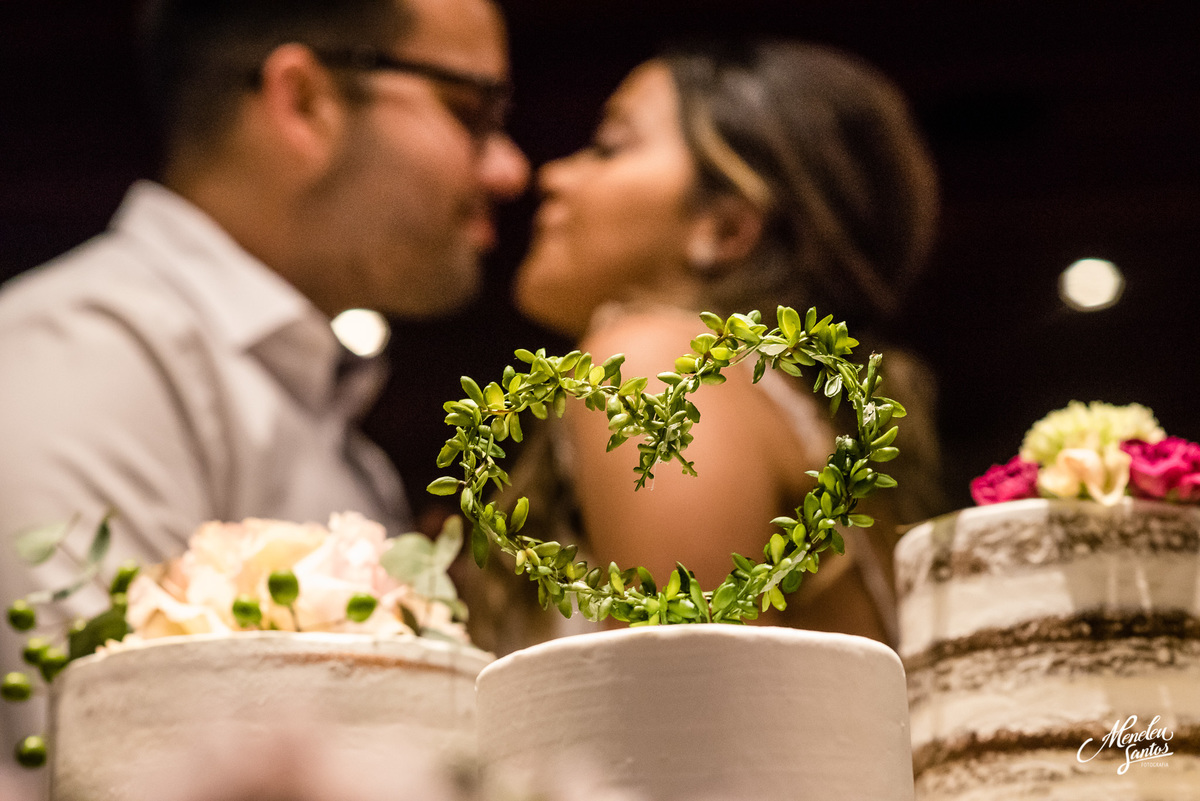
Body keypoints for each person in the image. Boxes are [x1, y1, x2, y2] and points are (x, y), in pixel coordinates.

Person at [0, 0, 527, 793]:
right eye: (470, 111)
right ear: (304, 101)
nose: (509, 168)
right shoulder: (86, 351)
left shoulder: (331, 425)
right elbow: (113, 765)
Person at [500, 40, 947, 650]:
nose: (553, 176)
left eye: (610, 146)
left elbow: (684, 694)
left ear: (725, 228)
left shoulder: (660, 365)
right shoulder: (766, 391)